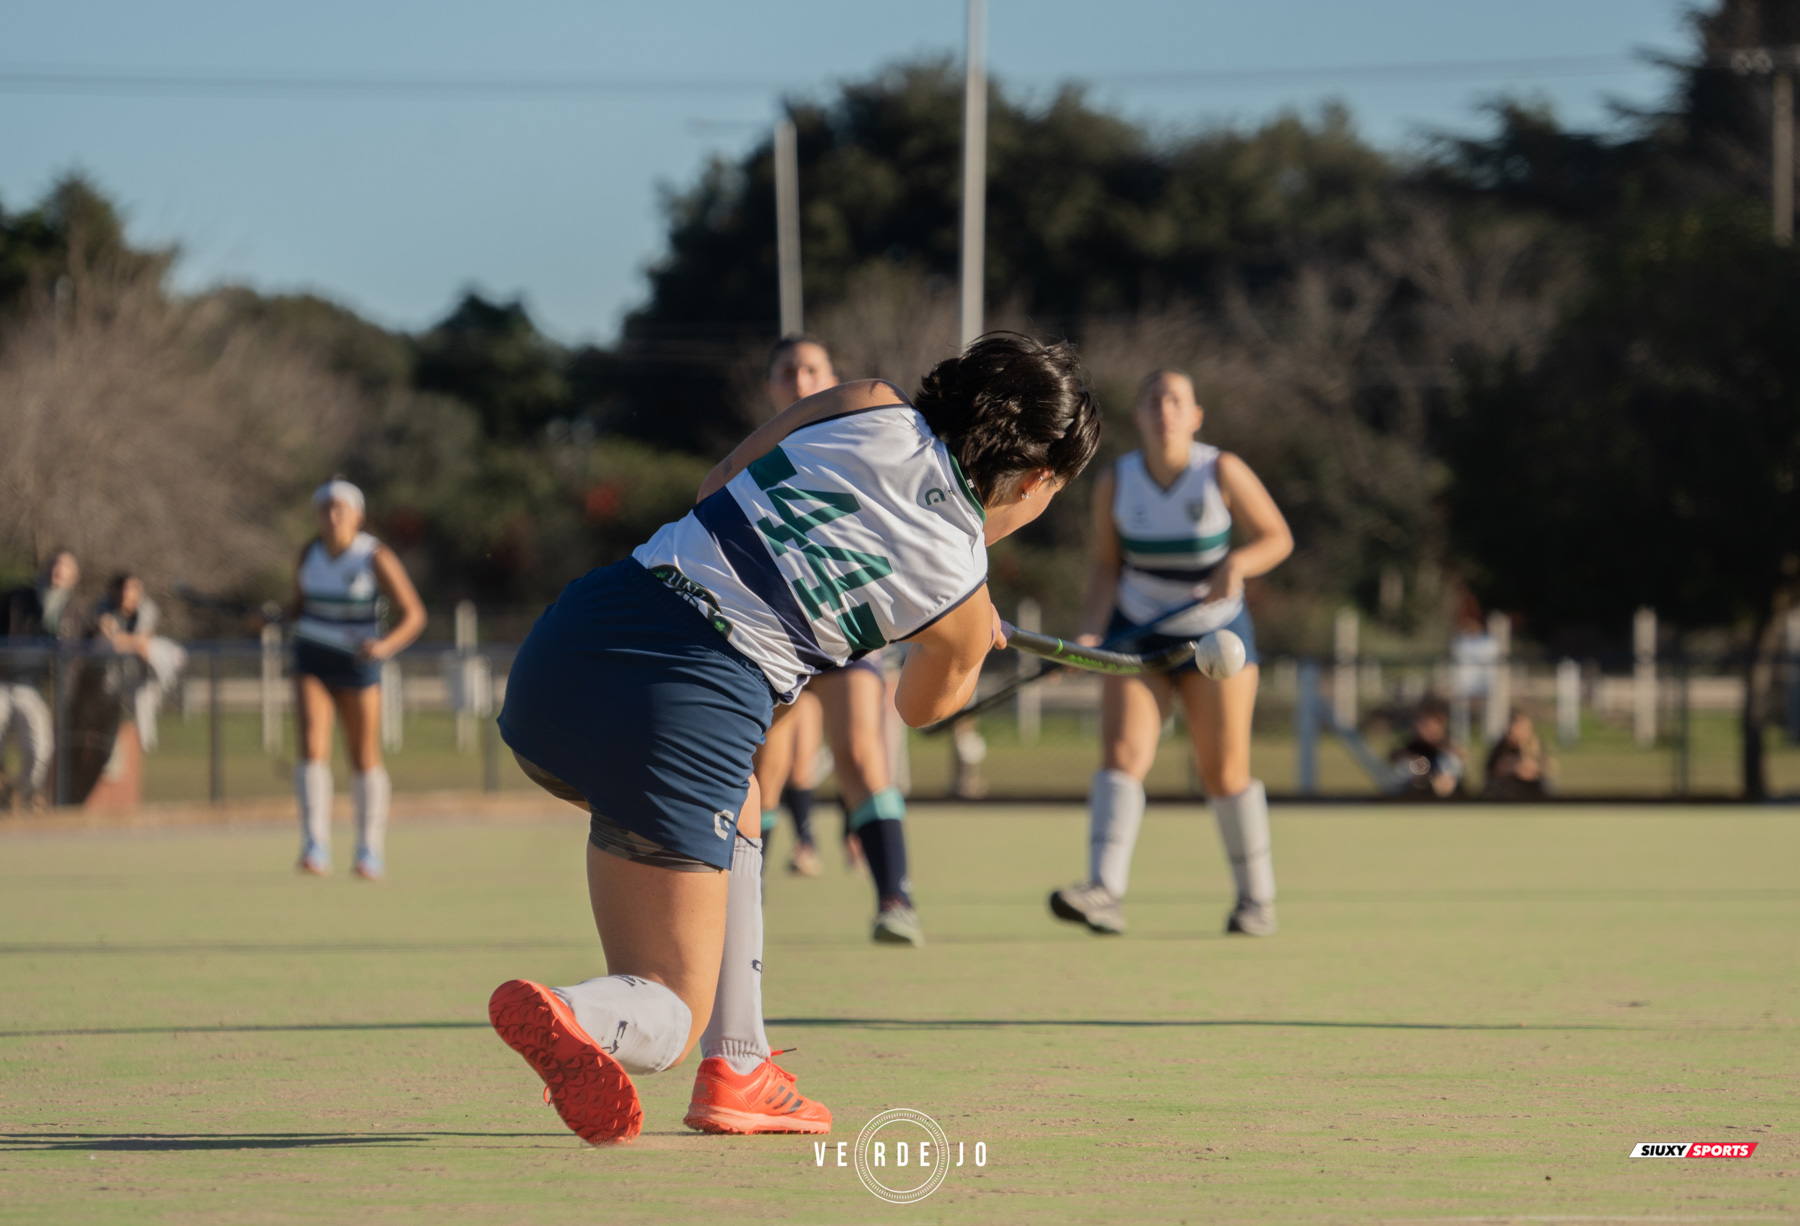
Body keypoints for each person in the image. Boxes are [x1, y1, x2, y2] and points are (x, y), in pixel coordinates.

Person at [489, 333, 1099, 1143]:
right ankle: (577, 1012)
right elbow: (920, 709)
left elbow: (718, 485)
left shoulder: (868, 401)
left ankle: (739, 1066)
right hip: (683, 711)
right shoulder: (957, 582)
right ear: (1035, 479)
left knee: (744, 798)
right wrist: (969, 633)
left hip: (567, 652)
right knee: (667, 1011)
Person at [1049, 370, 1293, 938]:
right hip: (1137, 631)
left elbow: (1276, 537)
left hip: (1216, 636)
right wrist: (1090, 631)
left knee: (1223, 771)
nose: (1164, 410)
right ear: (1138, 414)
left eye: (1176, 401)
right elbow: (1107, 565)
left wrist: (1237, 564)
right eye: (1154, 400)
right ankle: (1103, 891)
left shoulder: (1221, 470)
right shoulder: (1117, 481)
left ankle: (1257, 900)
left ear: (1195, 415)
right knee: (1122, 756)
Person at [753, 334, 920, 942]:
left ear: (832, 379)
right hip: (775, 638)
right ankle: (748, 908)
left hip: (848, 636)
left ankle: (895, 901)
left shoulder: (859, 440)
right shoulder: (755, 452)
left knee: (861, 755)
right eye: (788, 371)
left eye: (811, 370)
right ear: (772, 385)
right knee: (762, 771)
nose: (800, 381)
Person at [289, 479, 426, 879]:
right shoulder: (307, 554)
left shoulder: (374, 555)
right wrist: (271, 616)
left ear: (357, 515)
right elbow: (297, 607)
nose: (333, 517)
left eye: (341, 509)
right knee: (312, 744)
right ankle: (314, 845)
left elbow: (414, 614)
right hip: (311, 657)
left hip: (358, 663)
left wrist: (385, 647)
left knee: (363, 755)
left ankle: (369, 849)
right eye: (326, 509)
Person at [0, 549, 80, 811]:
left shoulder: (76, 609)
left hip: (31, 688)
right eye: (54, 565)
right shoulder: (18, 598)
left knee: (40, 750)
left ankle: (21, 795)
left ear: (74, 575)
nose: (57, 572)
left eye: (64, 567)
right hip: (1, 682)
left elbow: (90, 645)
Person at [92, 573, 187, 752]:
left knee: (143, 701)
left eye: (135, 589)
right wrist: (125, 642)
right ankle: (106, 748)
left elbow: (143, 642)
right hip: (110, 670)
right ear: (116, 591)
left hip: (141, 672)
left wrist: (119, 640)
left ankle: (146, 749)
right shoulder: (103, 606)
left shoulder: (147, 608)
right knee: (106, 708)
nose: (131, 594)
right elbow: (104, 639)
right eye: (126, 589)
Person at [1390, 698, 1467, 799]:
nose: (1426, 729)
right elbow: (1395, 760)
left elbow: (1458, 764)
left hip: (1447, 794)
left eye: (1431, 725)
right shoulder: (1411, 748)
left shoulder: (1447, 749)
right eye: (1423, 725)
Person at [1483, 709, 1549, 799]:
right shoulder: (1501, 747)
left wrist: (1531, 768)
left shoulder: (1537, 745)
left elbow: (1547, 767)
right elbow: (1493, 768)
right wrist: (1514, 768)